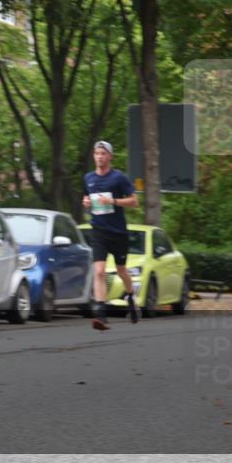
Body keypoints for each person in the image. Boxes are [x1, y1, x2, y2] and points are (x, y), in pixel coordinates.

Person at [81, 140, 140, 330]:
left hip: (118, 232)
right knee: (99, 271)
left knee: (122, 270)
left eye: (103, 154)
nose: (99, 157)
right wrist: (86, 202)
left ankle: (130, 297)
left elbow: (134, 202)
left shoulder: (118, 178)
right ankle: (101, 314)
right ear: (94, 156)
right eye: (97, 153)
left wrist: (113, 201)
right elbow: (86, 197)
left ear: (110, 157)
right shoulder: (88, 178)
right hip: (98, 231)